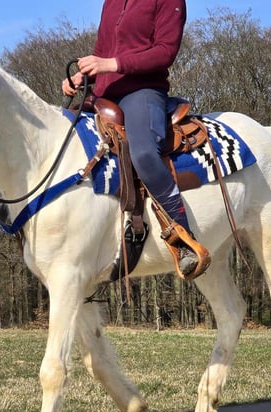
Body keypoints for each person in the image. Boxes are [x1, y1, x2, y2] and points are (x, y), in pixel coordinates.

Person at [62, 0, 205, 277]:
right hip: (103, 95)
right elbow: (102, 50)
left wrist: (110, 64)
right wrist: (82, 77)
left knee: (143, 154)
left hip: (142, 91)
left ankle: (183, 237)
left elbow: (164, 53)